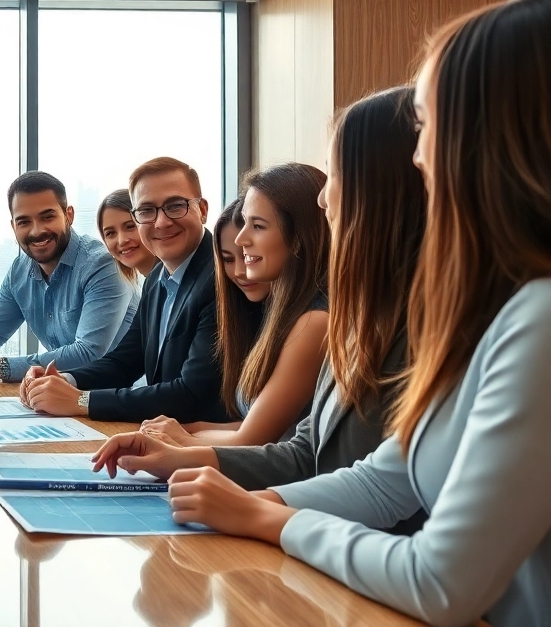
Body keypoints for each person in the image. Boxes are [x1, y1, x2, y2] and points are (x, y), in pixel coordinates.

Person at [159, 0, 551, 627]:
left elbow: (441, 582)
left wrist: (270, 518)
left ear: (487, 138)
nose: (418, 156)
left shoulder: (539, 316)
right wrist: (249, 502)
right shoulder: (488, 310)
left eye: (427, 127)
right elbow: (382, 480)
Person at [94, 87, 428, 536]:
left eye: (337, 175)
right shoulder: (361, 315)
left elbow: (400, 512)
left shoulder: (339, 319)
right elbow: (308, 450)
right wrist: (187, 458)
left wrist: (253, 507)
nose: (324, 199)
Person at [21, 157, 227, 424]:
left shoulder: (220, 278)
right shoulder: (158, 278)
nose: (161, 222)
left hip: (208, 448)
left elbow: (191, 395)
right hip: (167, 438)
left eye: (175, 206)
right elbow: (125, 361)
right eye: (146, 211)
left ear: (202, 210)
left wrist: (81, 400)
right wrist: (62, 379)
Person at [141, 164, 329, 446]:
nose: (242, 239)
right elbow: (253, 427)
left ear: (299, 237)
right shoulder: (278, 312)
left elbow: (253, 441)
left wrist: (183, 439)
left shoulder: (313, 321)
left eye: (258, 226)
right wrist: (188, 430)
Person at [0, 170, 134, 382]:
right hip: (63, 395)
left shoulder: (103, 264)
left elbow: (88, 353)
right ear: (13, 226)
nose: (36, 231)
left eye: (47, 217)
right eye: (24, 222)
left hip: (123, 400)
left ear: (69, 215)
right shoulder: (20, 271)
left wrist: (1, 368)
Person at [96, 188, 160, 288]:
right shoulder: (151, 286)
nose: (122, 241)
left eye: (130, 227)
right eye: (110, 233)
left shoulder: (175, 284)